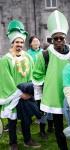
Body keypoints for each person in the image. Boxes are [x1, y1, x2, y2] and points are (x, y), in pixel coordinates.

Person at [32, 10, 70, 150]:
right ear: (51, 39)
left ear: (65, 38)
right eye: (56, 39)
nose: (59, 41)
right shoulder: (45, 54)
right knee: (59, 128)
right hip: (54, 97)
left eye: (61, 38)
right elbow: (36, 75)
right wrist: (47, 84)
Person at [0, 20, 41, 150]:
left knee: (26, 119)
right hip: (13, 95)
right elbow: (6, 79)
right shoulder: (5, 60)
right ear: (12, 43)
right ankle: (13, 143)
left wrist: (29, 92)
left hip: (27, 94)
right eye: (17, 42)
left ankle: (27, 139)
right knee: (12, 121)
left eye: (21, 42)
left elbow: (32, 75)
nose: (19, 44)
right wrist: (19, 93)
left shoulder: (28, 57)